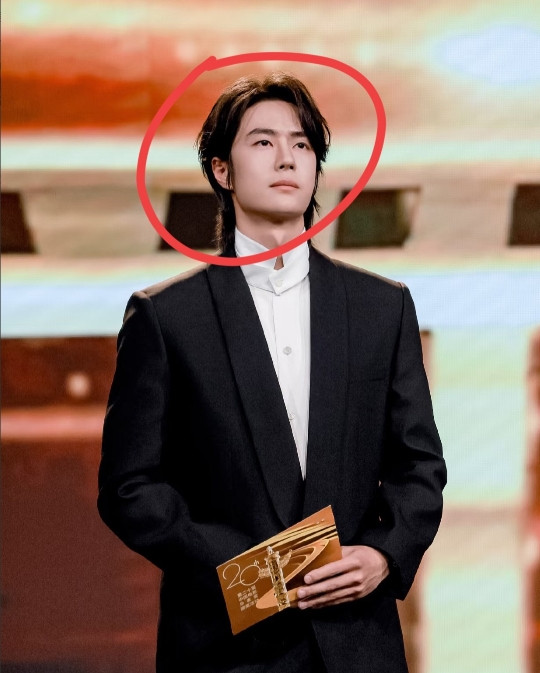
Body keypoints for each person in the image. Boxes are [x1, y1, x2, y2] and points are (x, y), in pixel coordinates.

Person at [98, 72, 446, 673]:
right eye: (263, 142)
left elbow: (419, 466)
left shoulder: (382, 307)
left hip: (356, 643)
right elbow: (130, 487)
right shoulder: (166, 316)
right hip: (223, 646)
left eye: (302, 144)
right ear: (222, 170)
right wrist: (252, 576)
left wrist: (384, 556)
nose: (286, 157)